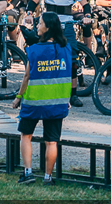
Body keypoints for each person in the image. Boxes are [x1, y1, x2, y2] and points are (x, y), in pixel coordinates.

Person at [13, 12, 73, 185]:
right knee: (51, 141)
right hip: (57, 102)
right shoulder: (66, 49)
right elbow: (67, 74)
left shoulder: (34, 50)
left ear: (48, 28)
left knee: (26, 136)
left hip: (33, 102)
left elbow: (27, 76)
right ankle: (48, 177)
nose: (37, 26)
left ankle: (28, 173)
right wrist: (67, 98)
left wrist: (18, 97)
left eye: (40, 23)